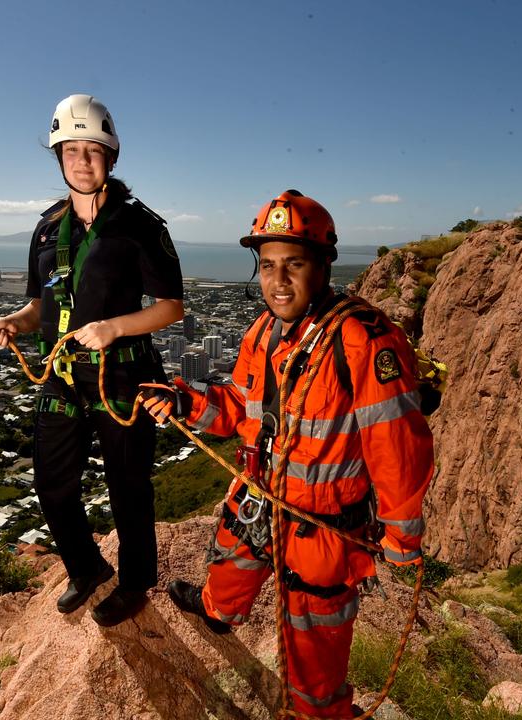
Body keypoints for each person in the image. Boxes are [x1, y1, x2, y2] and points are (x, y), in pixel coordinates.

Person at [141, 190, 434, 718]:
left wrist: (402, 537)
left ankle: (319, 712)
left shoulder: (363, 339)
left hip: (320, 527)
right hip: (259, 495)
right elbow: (239, 407)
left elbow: (397, 447)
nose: (277, 282)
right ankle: (217, 613)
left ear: (323, 265)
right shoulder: (264, 330)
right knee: (230, 566)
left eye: (293, 265)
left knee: (313, 652)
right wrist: (185, 402)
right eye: (268, 266)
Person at [0, 94, 184, 627]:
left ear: (110, 157)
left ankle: (136, 581)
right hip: (64, 377)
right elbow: (37, 306)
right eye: (71, 150)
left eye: (92, 150)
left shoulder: (140, 226)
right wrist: (13, 324)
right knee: (52, 484)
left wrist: (113, 326)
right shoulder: (48, 229)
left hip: (124, 375)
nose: (82, 160)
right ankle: (87, 567)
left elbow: (170, 307)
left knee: (128, 488)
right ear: (59, 157)